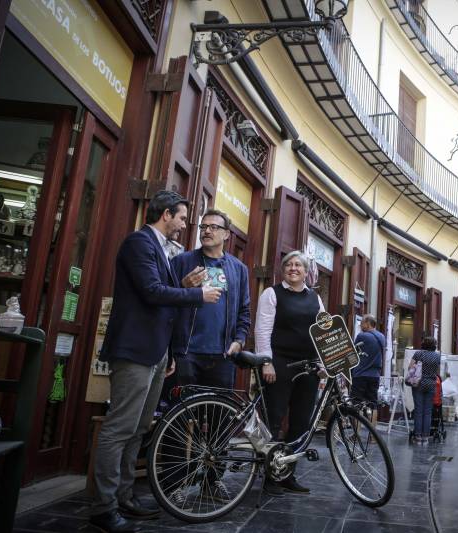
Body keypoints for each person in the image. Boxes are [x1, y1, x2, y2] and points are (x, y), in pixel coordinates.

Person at [91, 191, 223, 533]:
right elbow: (150, 292)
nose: (184, 224)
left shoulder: (158, 248)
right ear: (166, 214)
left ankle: (123, 498)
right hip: (134, 350)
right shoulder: (138, 243)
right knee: (119, 427)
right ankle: (103, 507)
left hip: (153, 352)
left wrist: (181, 286)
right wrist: (196, 294)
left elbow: (155, 296)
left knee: (137, 429)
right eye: (181, 217)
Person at [254, 250, 324, 496]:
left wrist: (324, 363)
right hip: (280, 364)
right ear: (283, 270)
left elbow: (322, 333)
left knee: (300, 423)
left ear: (306, 272)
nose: (293, 268)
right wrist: (266, 362)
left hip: (308, 366)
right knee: (274, 420)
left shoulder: (315, 298)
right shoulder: (272, 293)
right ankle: (270, 477)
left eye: (298, 265)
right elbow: (263, 330)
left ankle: (288, 474)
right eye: (289, 265)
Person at [171, 209, 250, 389]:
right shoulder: (182, 262)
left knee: (216, 415)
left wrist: (239, 340)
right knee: (181, 414)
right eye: (204, 226)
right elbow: (166, 300)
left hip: (222, 355)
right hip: (185, 353)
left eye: (214, 227)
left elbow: (244, 311)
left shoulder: (239, 269)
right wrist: (184, 287)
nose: (207, 231)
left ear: (226, 234)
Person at [409, 336, 441, 444]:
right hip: (431, 384)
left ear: (424, 344)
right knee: (427, 411)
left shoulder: (418, 354)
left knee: (418, 410)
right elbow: (438, 371)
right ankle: (425, 437)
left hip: (418, 383)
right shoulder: (437, 356)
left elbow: (410, 367)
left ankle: (417, 437)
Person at [351, 314, 385, 407]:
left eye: (362, 323)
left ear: (367, 323)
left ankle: (356, 421)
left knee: (356, 403)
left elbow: (353, 353)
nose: (361, 326)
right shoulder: (382, 336)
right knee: (372, 403)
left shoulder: (362, 336)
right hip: (375, 375)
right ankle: (370, 421)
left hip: (361, 374)